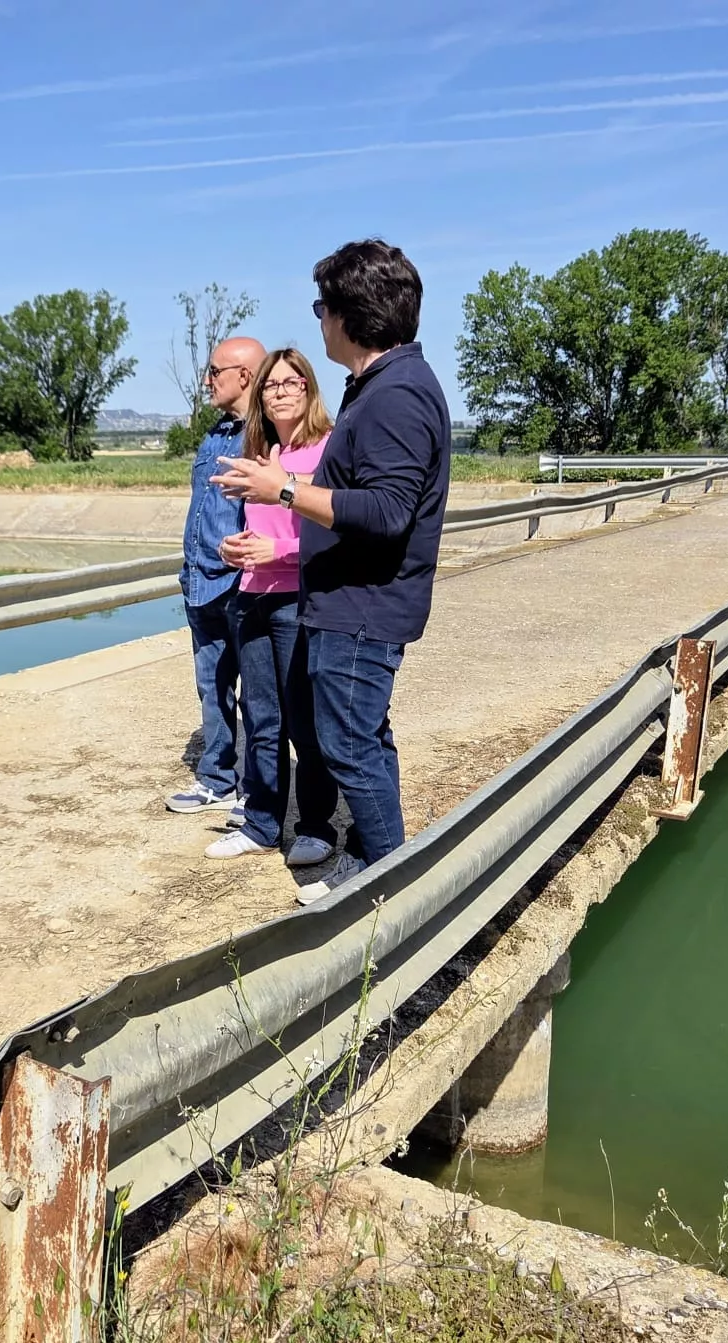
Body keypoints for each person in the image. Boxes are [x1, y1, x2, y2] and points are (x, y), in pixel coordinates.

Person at [214, 239, 450, 904]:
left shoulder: (396, 394)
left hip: (363, 605)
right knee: (363, 738)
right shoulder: (379, 387)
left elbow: (387, 511)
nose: (319, 321)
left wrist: (284, 490)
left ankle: (387, 884)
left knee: (347, 744)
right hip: (352, 601)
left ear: (350, 313)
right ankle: (374, 858)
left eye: (323, 308)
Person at [205, 347, 337, 870]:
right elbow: (255, 528)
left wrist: (278, 552)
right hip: (251, 597)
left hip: (297, 601)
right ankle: (261, 824)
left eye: (290, 382)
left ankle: (316, 827)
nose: (279, 392)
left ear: (308, 388)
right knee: (260, 718)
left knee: (305, 722)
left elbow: (334, 533)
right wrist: (231, 549)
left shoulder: (328, 449)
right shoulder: (259, 451)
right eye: (270, 385)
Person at [166, 336, 267, 816]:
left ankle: (256, 791)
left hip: (243, 586)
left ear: (243, 376)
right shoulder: (216, 434)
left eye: (214, 371)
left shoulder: (267, 436)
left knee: (259, 697)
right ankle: (217, 780)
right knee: (212, 687)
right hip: (200, 581)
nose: (207, 380)